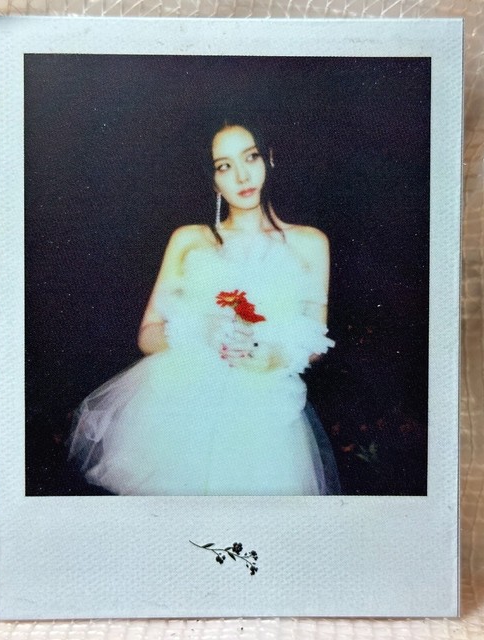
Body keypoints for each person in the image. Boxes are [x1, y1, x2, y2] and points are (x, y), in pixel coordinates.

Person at [68, 117, 340, 495]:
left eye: (251, 157)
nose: (242, 176)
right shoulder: (189, 240)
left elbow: (314, 341)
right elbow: (147, 335)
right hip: (180, 409)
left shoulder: (309, 243)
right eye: (224, 166)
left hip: (262, 414)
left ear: (270, 158)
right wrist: (201, 330)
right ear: (213, 180)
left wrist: (269, 354)